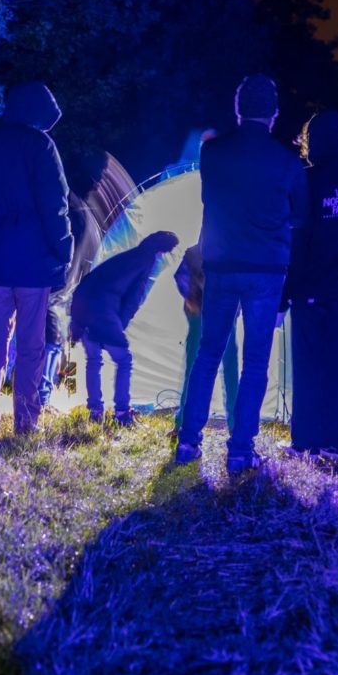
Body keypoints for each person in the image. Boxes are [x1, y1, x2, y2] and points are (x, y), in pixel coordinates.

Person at [174, 74, 308, 474]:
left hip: (222, 265)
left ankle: (189, 441)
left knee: (208, 352)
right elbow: (299, 217)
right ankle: (240, 448)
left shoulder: (213, 154)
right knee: (255, 362)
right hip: (266, 271)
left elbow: (207, 199)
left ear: (238, 109)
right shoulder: (287, 161)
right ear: (274, 113)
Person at [0, 81, 73, 436]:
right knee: (31, 344)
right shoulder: (40, 145)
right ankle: (25, 422)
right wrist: (64, 248)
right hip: (33, 262)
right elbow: (55, 204)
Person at [282, 110, 338, 456]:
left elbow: (297, 242)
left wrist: (287, 292)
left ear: (311, 141)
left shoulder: (306, 181)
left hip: (310, 289)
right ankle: (337, 441)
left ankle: (305, 440)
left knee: (309, 365)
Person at [70, 231, 181, 425]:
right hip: (103, 311)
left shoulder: (128, 256)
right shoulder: (145, 262)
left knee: (94, 360)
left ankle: (95, 412)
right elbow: (133, 300)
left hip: (83, 305)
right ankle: (122, 413)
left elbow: (91, 281)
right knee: (124, 359)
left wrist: (78, 322)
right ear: (161, 251)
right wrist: (118, 326)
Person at [173, 243, 239, 435]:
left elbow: (180, 277)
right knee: (217, 369)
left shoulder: (201, 251)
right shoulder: (198, 252)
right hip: (203, 315)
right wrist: (192, 298)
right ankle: (186, 422)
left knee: (210, 368)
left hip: (215, 315)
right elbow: (181, 278)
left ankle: (186, 423)